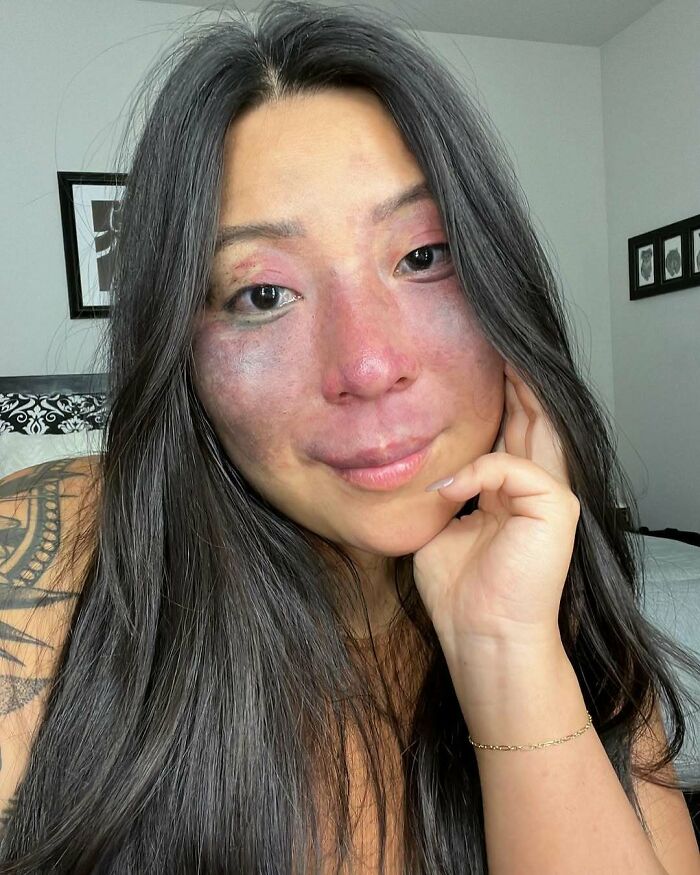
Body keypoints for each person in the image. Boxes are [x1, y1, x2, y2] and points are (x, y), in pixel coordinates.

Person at [0, 2, 699, 872]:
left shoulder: (564, 586)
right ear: (179, 355)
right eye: (262, 295)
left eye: (424, 255)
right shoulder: (48, 552)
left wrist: (507, 646)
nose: (368, 365)